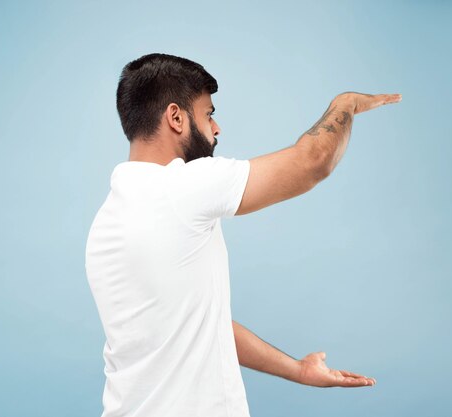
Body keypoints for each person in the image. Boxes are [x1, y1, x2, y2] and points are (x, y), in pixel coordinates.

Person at [85, 52, 402, 417]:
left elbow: (202, 323)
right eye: (208, 114)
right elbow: (314, 161)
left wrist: (298, 370)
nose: (216, 129)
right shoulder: (182, 186)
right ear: (175, 117)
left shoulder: (107, 220)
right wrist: (346, 103)